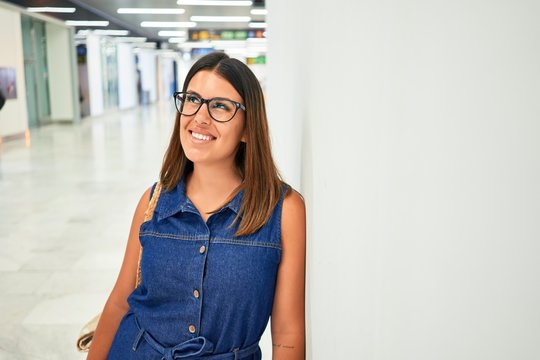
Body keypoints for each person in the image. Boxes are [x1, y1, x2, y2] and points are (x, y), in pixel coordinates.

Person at [87, 52, 306, 360]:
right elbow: (120, 303)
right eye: (192, 99)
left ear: (247, 128)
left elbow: (287, 335)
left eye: (220, 106)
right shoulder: (153, 202)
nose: (200, 117)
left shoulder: (284, 211)